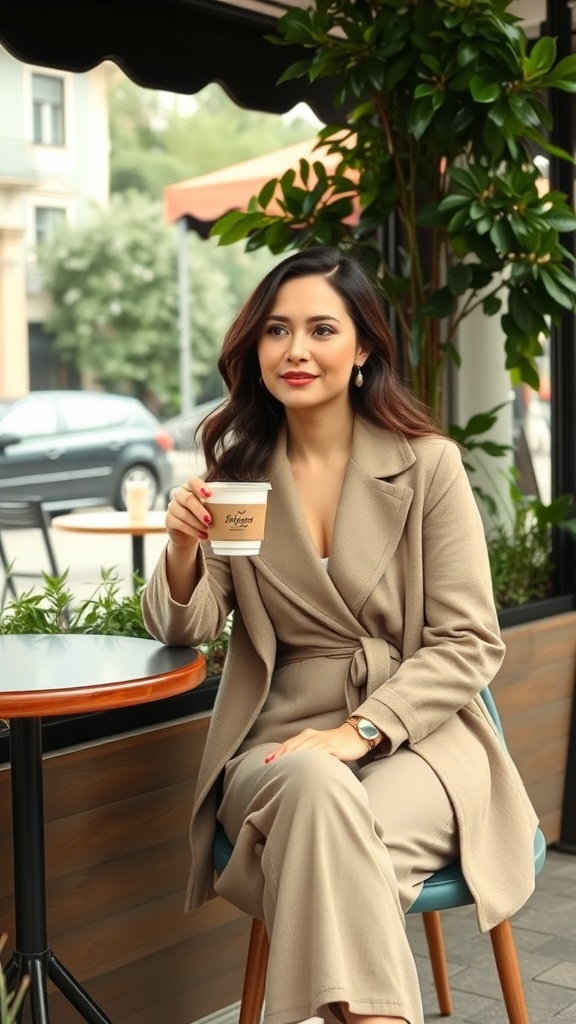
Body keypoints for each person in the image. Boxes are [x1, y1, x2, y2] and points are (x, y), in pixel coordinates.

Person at [142, 245, 539, 1024]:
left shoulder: (428, 466)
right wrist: (184, 549)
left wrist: (359, 731)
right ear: (253, 349)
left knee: (321, 859)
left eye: (322, 329)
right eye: (276, 331)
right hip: (277, 744)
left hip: (416, 735)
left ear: (362, 349)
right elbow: (182, 627)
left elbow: (468, 641)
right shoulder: (236, 475)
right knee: (320, 804)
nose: (295, 350)